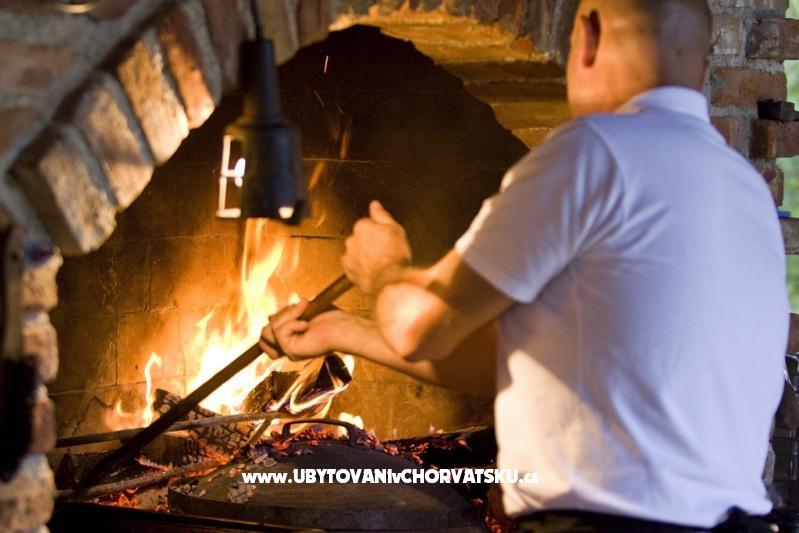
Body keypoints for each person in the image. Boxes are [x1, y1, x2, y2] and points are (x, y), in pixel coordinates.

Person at [260, 0, 790, 530]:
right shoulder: (743, 190)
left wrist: (385, 271)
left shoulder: (595, 151)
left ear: (588, 34)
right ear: (702, 67)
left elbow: (419, 327)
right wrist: (340, 330)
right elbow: (508, 356)